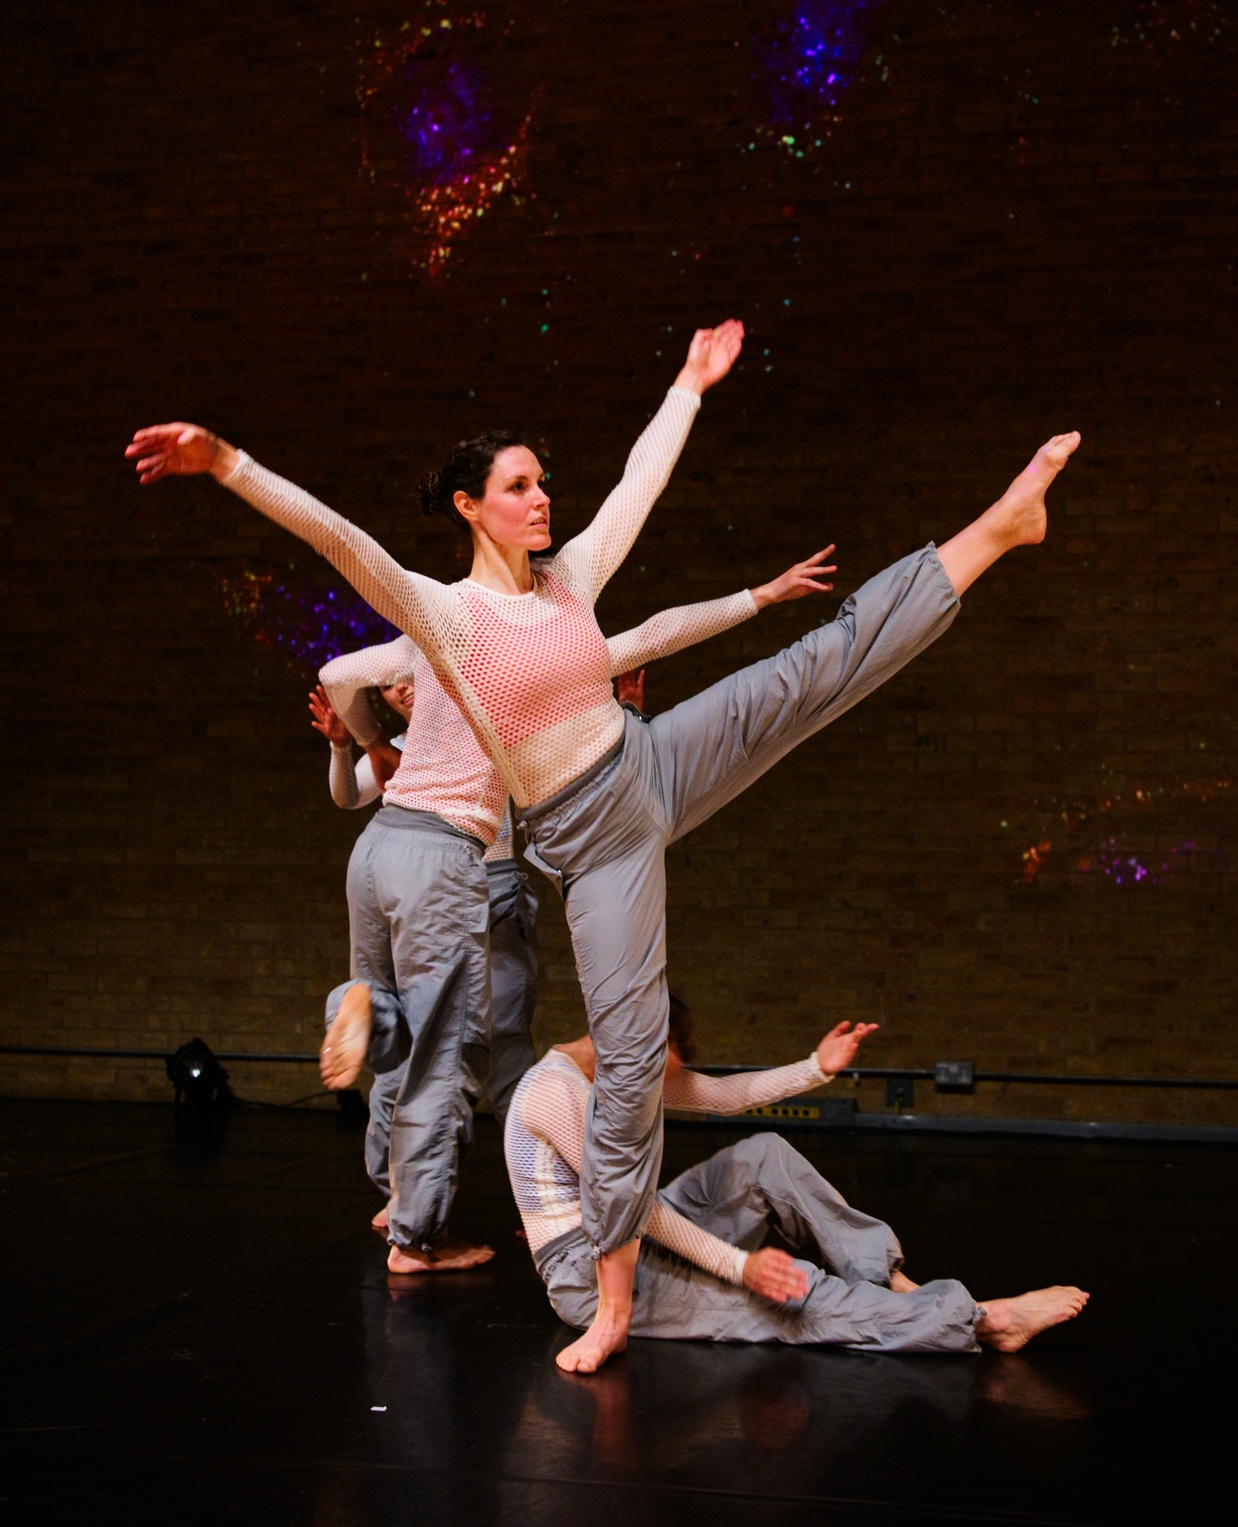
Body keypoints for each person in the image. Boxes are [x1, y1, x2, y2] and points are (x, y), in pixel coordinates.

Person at [127, 324, 1078, 1364]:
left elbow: (640, 483)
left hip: (649, 760)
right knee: (628, 1063)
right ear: (469, 506)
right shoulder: (445, 616)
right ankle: (615, 1304)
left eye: (543, 483)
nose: (542, 499)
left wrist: (689, 384)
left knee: (811, 670)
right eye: (519, 486)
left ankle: (996, 529)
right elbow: (337, 539)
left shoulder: (570, 576)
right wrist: (224, 461)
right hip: (592, 844)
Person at [309, 560, 835, 1245]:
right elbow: (639, 649)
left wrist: (365, 740)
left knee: (411, 1036)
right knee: (473, 1052)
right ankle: (478, 1200)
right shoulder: (504, 690)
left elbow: (337, 679)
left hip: (390, 858)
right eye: (394, 688)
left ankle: (380, 1081)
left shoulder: (426, 683)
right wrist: (757, 597)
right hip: (464, 876)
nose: (404, 688)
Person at [505, 1006, 1090, 1357]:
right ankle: (983, 1322)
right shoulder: (554, 1090)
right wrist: (741, 1267)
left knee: (764, 1155)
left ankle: (890, 1280)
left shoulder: (615, 1069)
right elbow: (633, 1212)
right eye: (662, 1069)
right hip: (593, 1276)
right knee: (786, 1296)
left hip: (634, 1231)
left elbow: (722, 1096)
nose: (664, 1085)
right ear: (631, 1041)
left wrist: (815, 1068)